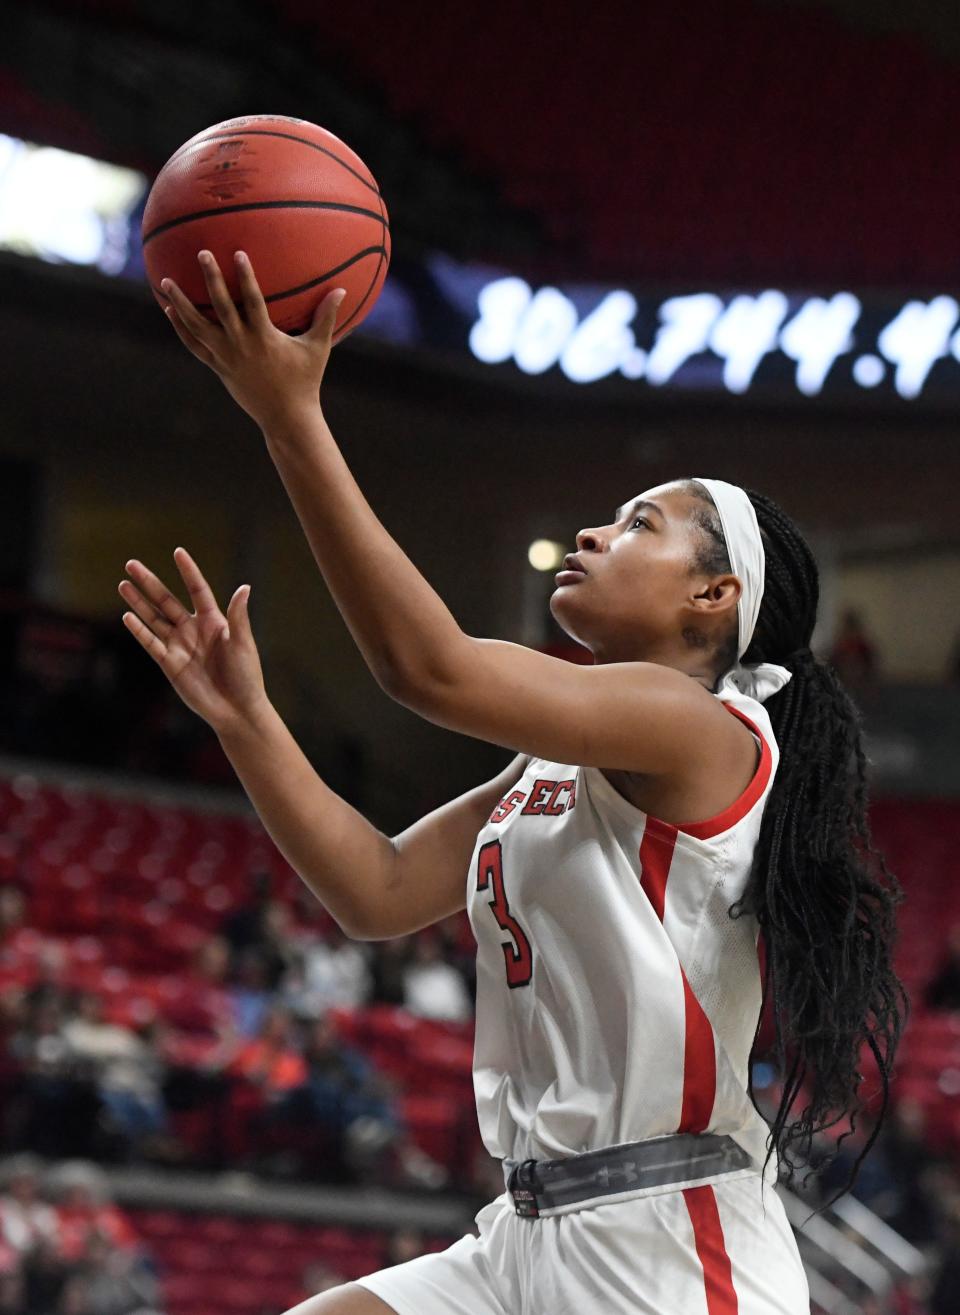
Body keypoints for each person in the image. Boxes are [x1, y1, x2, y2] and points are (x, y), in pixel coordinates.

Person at [118, 252, 908, 1314]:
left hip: (668, 1245)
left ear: (715, 597)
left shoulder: (702, 727)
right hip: (524, 1231)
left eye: (641, 524)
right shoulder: (560, 762)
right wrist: (249, 721)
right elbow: (380, 890)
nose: (593, 531)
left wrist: (288, 417)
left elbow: (429, 668)